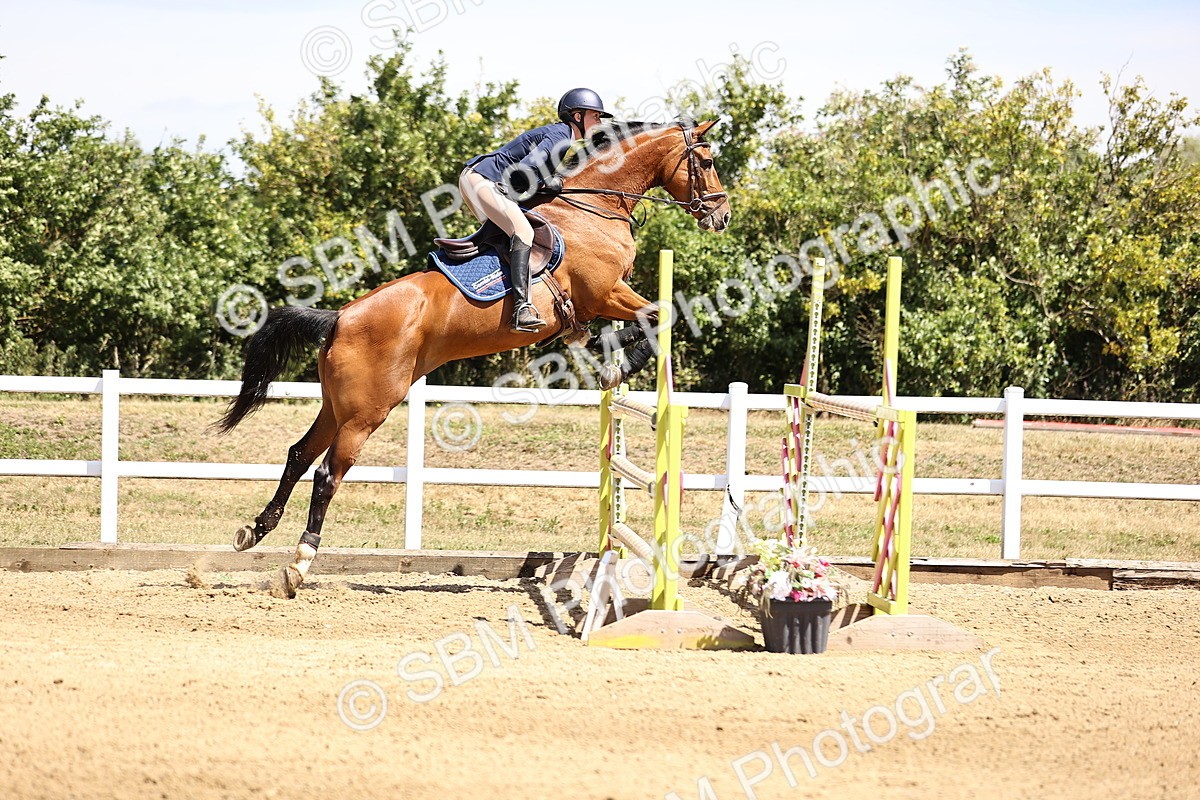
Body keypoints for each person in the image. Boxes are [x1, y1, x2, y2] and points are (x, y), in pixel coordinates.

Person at [460, 88, 612, 332]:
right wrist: (547, 182)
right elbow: (525, 172)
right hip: (483, 178)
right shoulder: (561, 137)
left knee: (509, 235)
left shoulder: (563, 138)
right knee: (523, 232)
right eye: (596, 116)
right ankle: (521, 308)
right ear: (577, 117)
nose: (600, 122)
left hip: (479, 178)